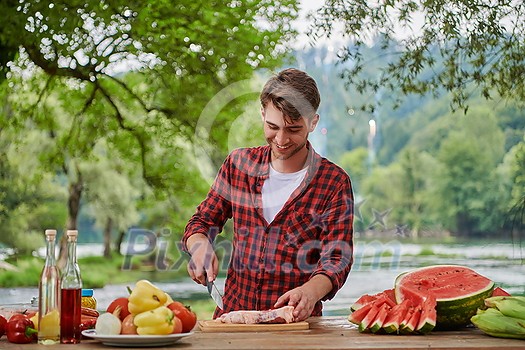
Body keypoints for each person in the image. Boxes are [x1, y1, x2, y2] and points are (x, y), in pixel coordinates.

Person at [181, 68, 354, 322]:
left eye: (294, 129)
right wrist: (199, 247)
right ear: (262, 114)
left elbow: (337, 258)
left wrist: (310, 291)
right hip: (232, 320)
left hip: (297, 326)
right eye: (273, 126)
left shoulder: (334, 182)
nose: (281, 139)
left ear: (313, 123)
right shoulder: (238, 165)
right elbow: (202, 222)